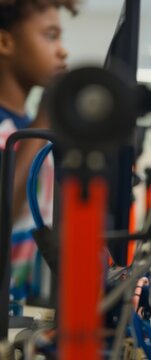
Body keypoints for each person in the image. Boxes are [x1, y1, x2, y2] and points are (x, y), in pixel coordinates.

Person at [0, 0, 75, 300]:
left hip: (23, 303)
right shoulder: (18, 129)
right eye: (50, 35)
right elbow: (6, 211)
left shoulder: (27, 126)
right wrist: (47, 112)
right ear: (5, 42)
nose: (62, 50)